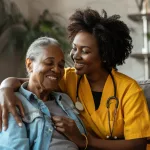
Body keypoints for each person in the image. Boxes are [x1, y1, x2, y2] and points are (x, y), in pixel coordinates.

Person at [0, 8, 150, 150]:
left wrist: (84, 140)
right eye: (74, 48)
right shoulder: (68, 77)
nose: (75, 56)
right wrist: (5, 88)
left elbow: (139, 145)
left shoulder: (129, 89)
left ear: (104, 55)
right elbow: (32, 80)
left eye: (84, 51)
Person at [0, 37, 87, 150]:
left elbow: (83, 142)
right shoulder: (12, 102)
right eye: (49, 62)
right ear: (29, 64)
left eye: (61, 65)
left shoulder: (65, 100)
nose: (56, 70)